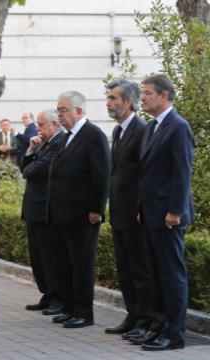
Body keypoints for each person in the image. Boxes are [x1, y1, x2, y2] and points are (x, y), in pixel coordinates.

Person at [138, 74, 194, 351]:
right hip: (150, 213)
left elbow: (182, 172)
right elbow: (146, 173)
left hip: (169, 216)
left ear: (164, 95)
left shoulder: (178, 127)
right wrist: (140, 208)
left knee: (172, 276)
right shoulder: (151, 127)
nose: (143, 97)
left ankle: (175, 334)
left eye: (148, 93)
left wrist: (175, 211)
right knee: (156, 274)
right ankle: (158, 327)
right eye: (143, 93)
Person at [103, 79, 160, 343]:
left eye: (114, 98)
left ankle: (145, 319)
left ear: (128, 102)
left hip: (135, 215)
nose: (109, 102)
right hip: (118, 212)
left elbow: (145, 174)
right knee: (125, 268)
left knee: (139, 269)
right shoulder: (118, 131)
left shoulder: (142, 129)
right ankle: (132, 315)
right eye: (108, 98)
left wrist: (140, 208)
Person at [47, 90, 110, 329]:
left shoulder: (93, 135)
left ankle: (84, 312)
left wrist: (96, 209)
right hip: (62, 213)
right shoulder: (66, 136)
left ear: (79, 111)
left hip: (83, 214)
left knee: (81, 264)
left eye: (63, 110)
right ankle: (70, 307)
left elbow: (101, 175)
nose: (59, 114)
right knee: (64, 263)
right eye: (58, 110)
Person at [20, 109, 64, 316]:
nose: (38, 128)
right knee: (37, 256)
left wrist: (30, 165)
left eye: (42, 124)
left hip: (47, 208)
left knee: (50, 256)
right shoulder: (42, 143)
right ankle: (46, 293)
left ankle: (57, 296)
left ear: (55, 124)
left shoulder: (59, 143)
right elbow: (24, 167)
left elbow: (35, 170)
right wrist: (30, 149)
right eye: (37, 124)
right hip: (33, 208)